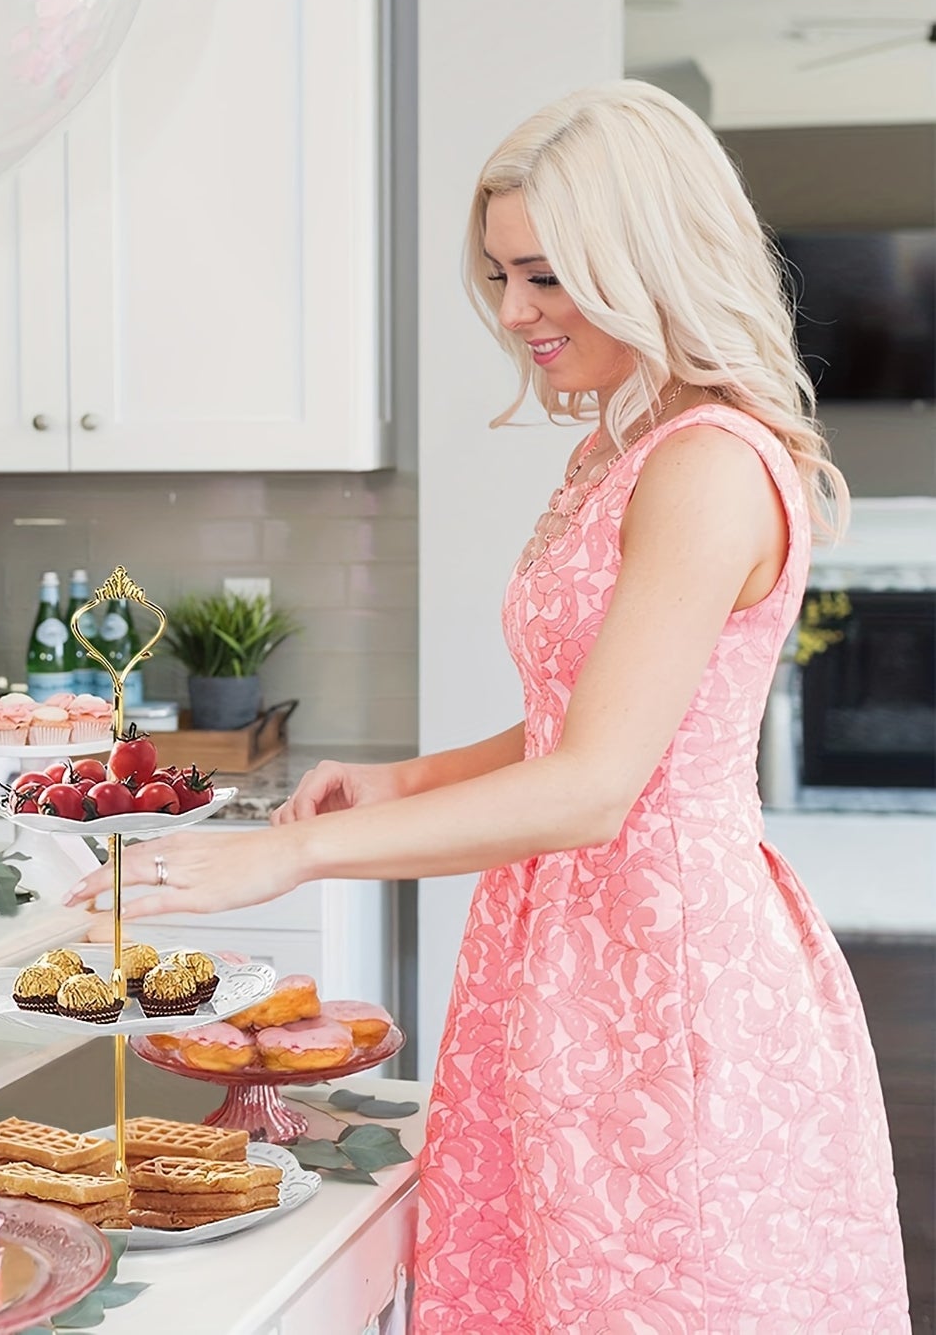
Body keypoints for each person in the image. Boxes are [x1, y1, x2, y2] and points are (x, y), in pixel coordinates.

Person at [65, 80, 909, 1332]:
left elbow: (594, 784)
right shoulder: (619, 452)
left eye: (547, 277)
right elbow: (597, 716)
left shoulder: (708, 466)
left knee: (653, 1289)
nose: (514, 314)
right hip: (564, 938)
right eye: (502, 277)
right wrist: (408, 780)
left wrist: (287, 855)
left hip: (663, 966)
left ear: (649, 261)